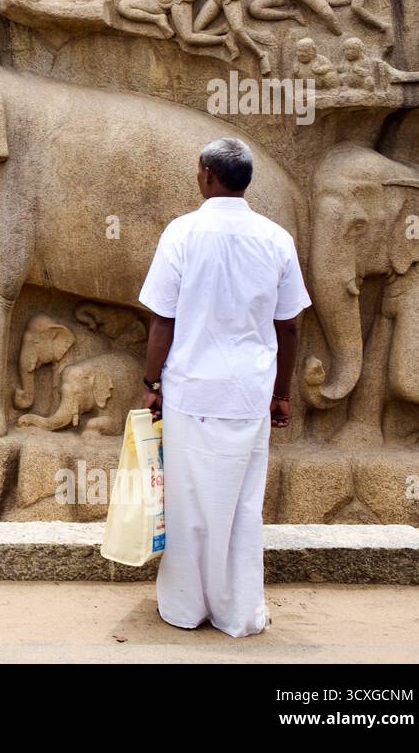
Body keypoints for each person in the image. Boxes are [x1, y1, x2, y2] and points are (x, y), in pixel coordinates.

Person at [138, 137, 309, 638]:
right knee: (240, 505)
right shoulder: (276, 239)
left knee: (188, 500)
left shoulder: (182, 234)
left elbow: (161, 321)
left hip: (192, 391)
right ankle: (237, 610)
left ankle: (187, 607)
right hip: (248, 394)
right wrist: (281, 393)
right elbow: (291, 326)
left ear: (207, 176)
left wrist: (151, 383)